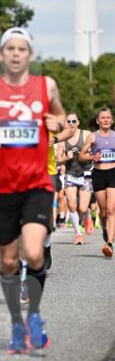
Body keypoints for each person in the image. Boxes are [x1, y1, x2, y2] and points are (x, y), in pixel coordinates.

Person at [0, 27, 66, 353]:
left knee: (34, 253)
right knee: (9, 263)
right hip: (3, 188)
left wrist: (58, 125)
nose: (17, 53)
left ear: (30, 55)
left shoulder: (45, 85)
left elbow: (61, 118)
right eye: (11, 48)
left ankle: (34, 314)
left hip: (37, 184)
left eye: (22, 48)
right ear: (1, 54)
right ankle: (15, 322)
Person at [79, 106, 115, 258]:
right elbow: (81, 156)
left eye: (108, 117)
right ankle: (106, 229)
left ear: (111, 120)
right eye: (103, 118)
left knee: (112, 208)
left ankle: (110, 243)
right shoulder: (92, 137)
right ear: (98, 121)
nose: (106, 120)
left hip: (113, 172)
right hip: (99, 174)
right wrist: (92, 158)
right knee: (103, 211)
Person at [56, 113, 94, 244]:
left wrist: (88, 154)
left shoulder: (86, 134)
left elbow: (95, 151)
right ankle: (78, 234)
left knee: (83, 208)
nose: (71, 123)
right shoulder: (62, 140)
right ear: (65, 124)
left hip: (86, 173)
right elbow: (57, 160)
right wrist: (66, 158)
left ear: (78, 122)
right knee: (72, 204)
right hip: (71, 174)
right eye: (68, 121)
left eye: (74, 121)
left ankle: (87, 215)